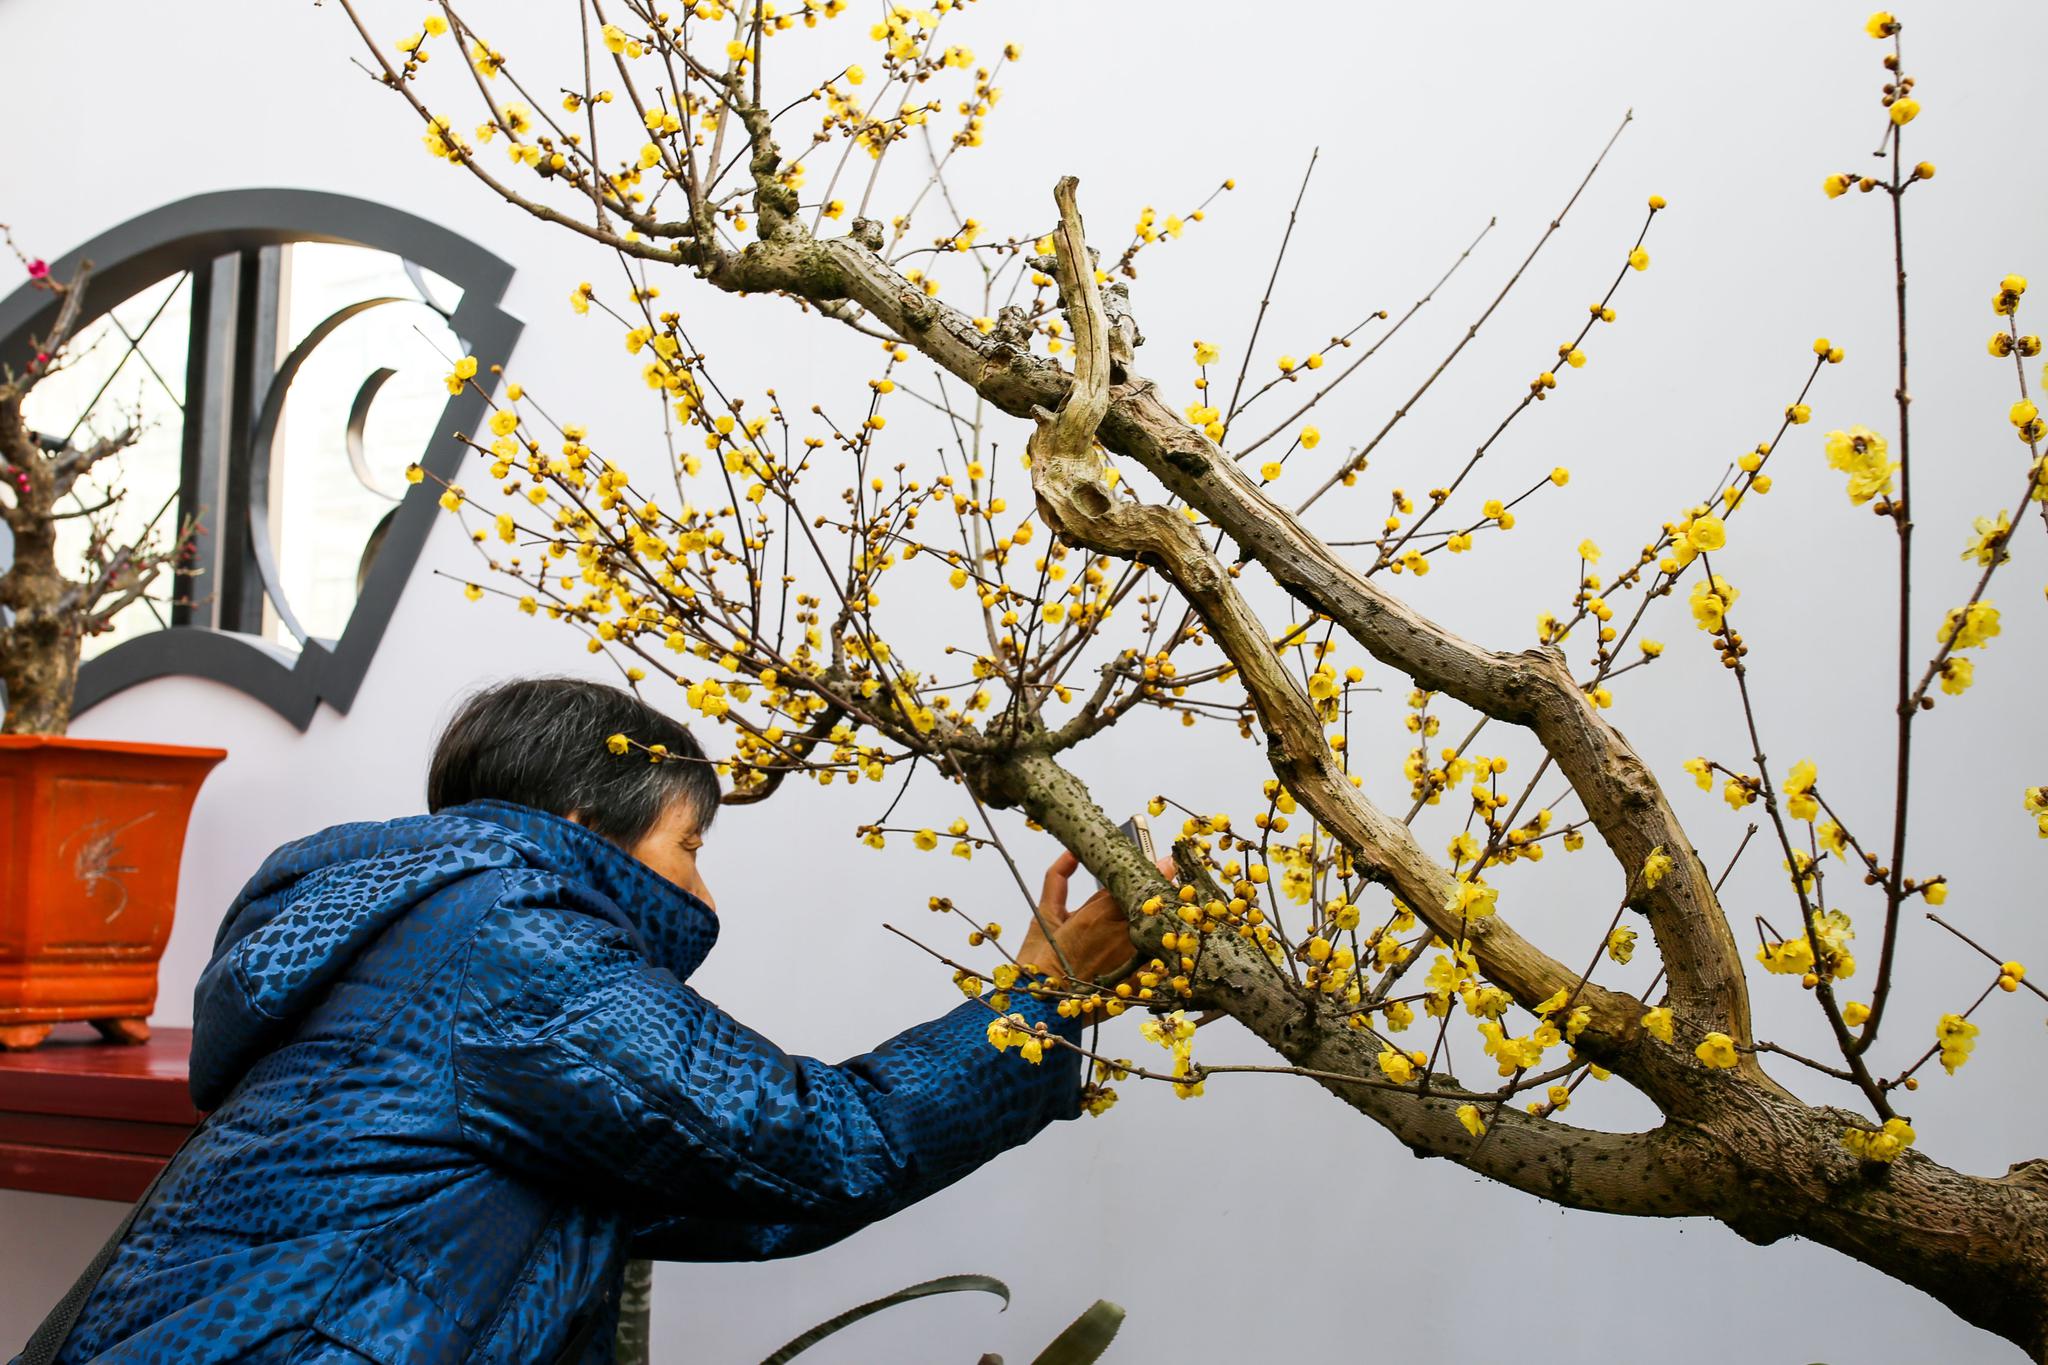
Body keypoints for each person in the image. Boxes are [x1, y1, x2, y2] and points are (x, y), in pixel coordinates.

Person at [30, 677, 1141, 1364]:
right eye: (687, 847)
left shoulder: (406, 933)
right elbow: (816, 1149)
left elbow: (720, 1190)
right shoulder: (511, 946)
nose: (701, 895)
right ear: (578, 820)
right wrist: (1033, 1005)